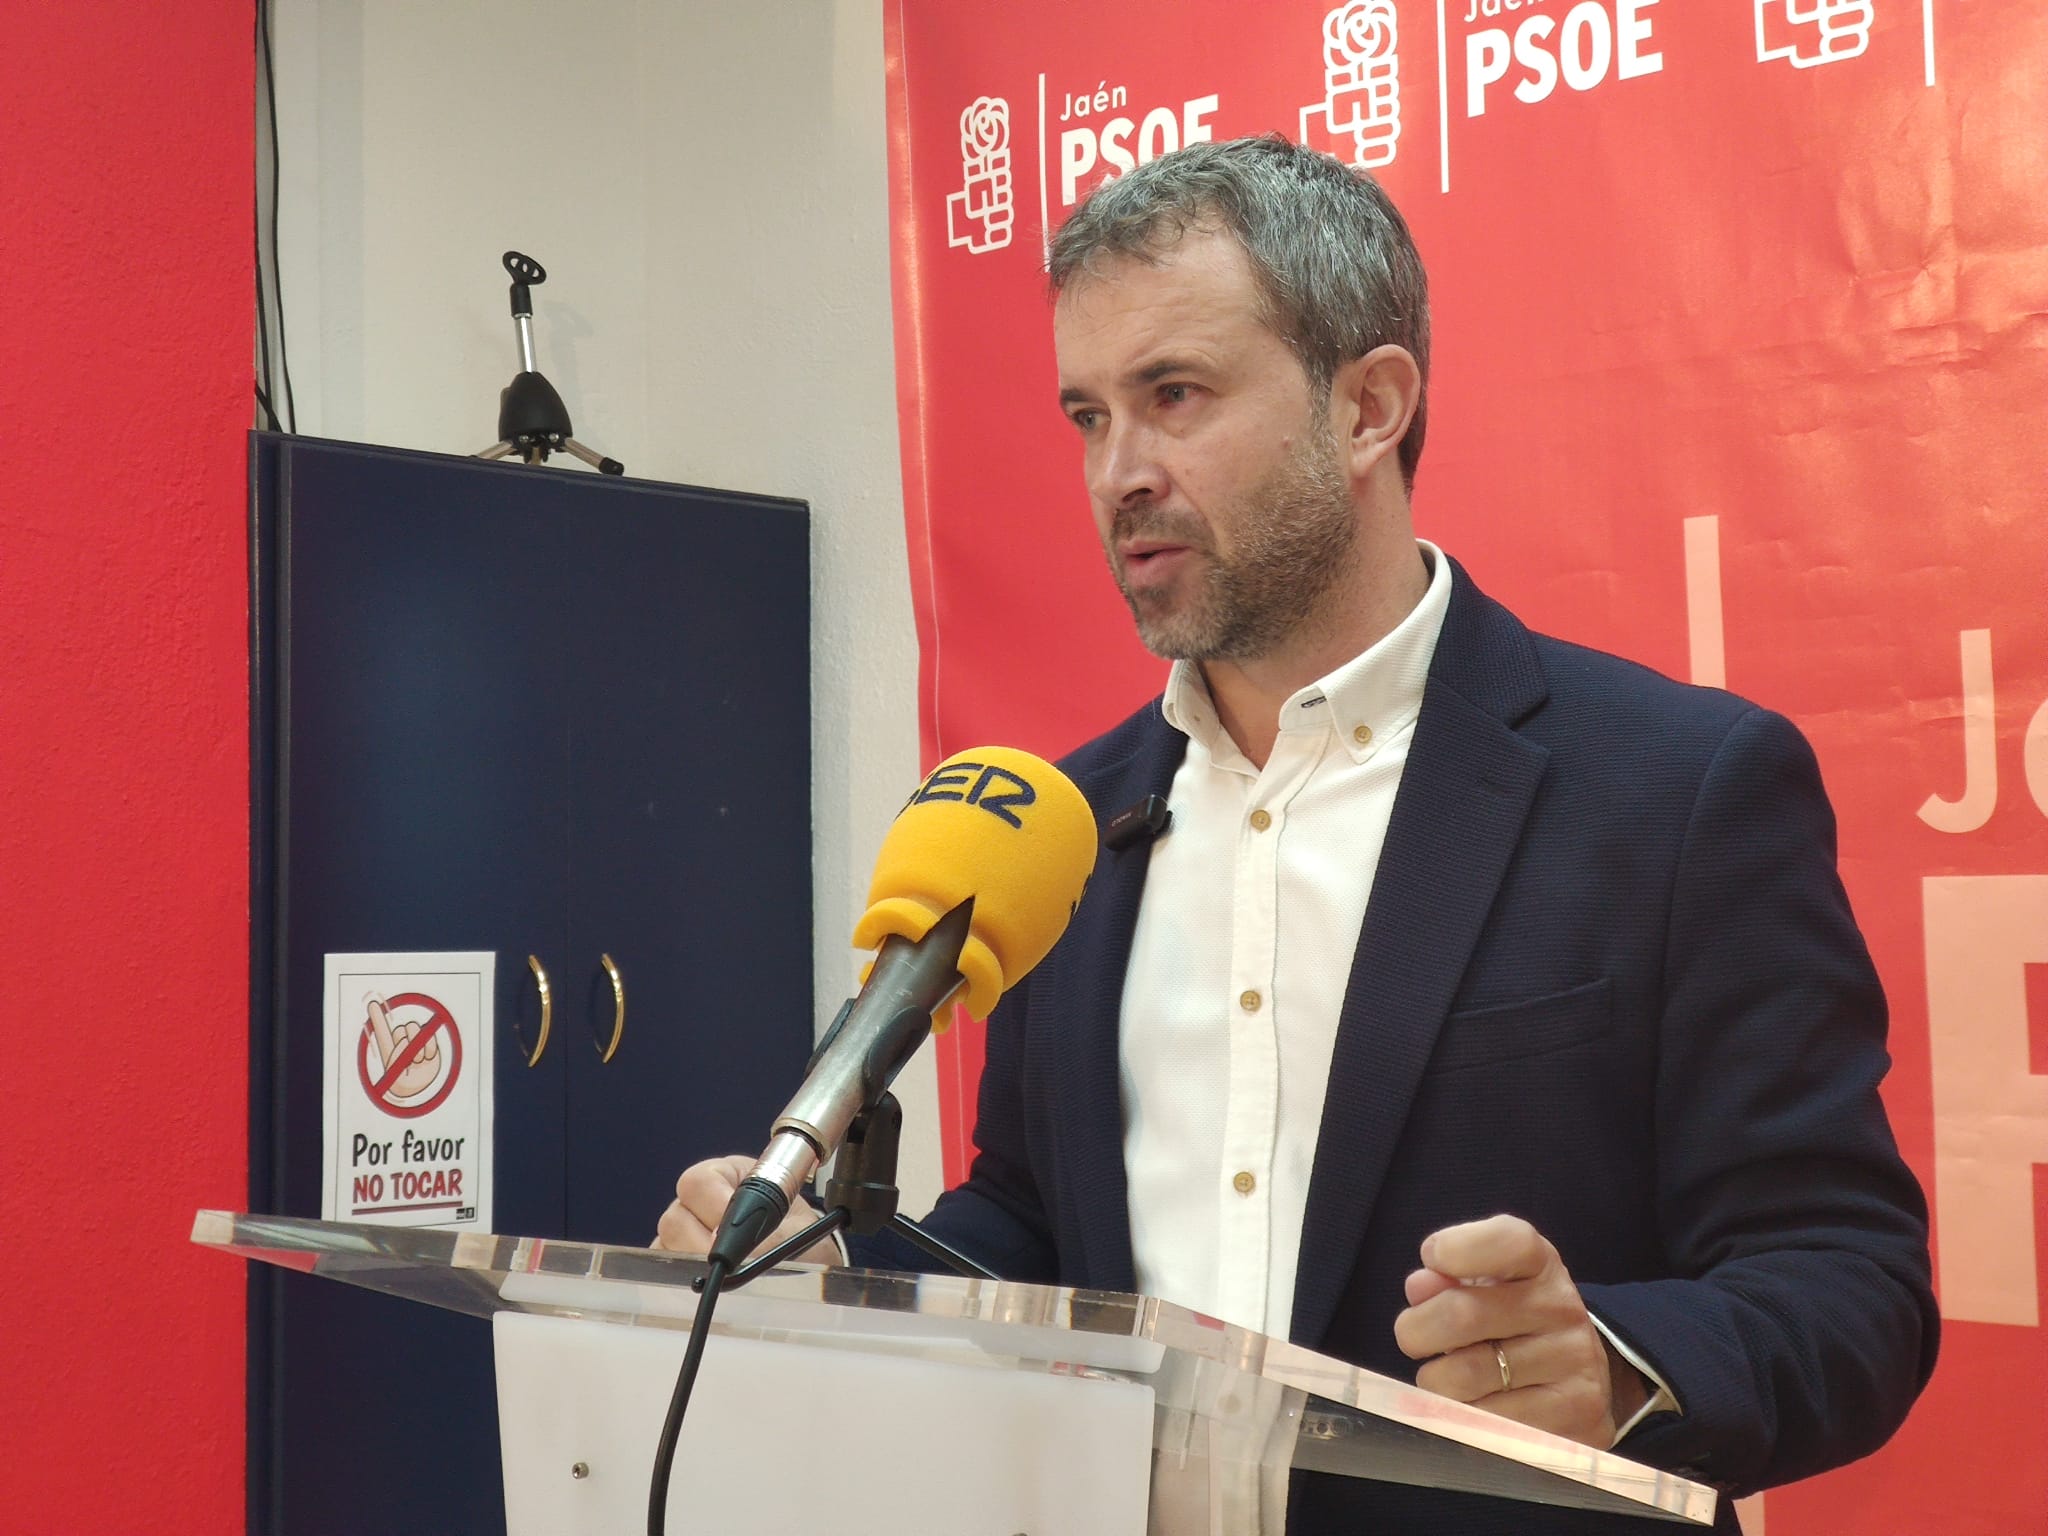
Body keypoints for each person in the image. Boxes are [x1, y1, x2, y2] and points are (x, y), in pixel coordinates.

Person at [658, 135, 1937, 1531]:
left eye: (1176, 395)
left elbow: (1849, 1282)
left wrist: (1616, 1368)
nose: (1119, 473)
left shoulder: (1677, 791)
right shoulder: (1070, 828)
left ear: (1370, 407)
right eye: (1088, 415)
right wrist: (846, 1265)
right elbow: (1033, 1228)